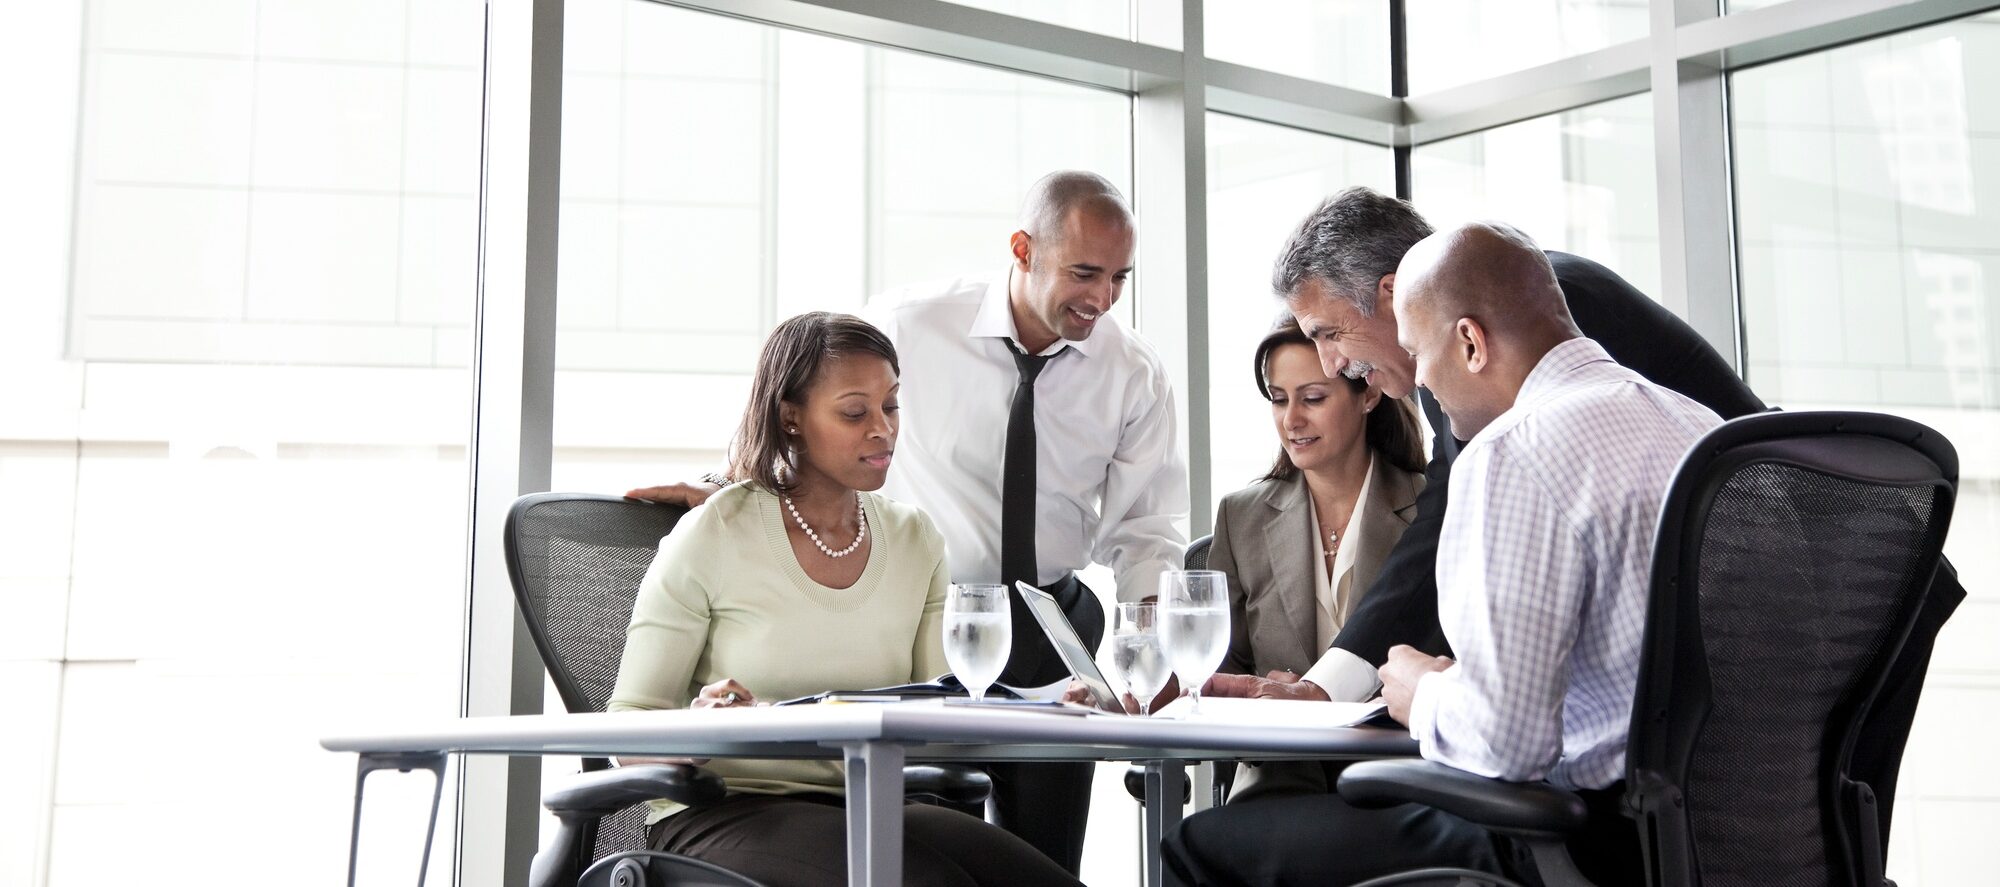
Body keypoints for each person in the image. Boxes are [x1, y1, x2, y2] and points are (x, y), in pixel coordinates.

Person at [627, 170, 1190, 873]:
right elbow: (813, 388)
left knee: (1042, 858)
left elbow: (1147, 530)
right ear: (1023, 249)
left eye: (1119, 278)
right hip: (945, 601)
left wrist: (1148, 657)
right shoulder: (911, 323)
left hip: (1048, 617)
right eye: (1084, 272)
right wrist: (726, 479)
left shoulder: (1132, 371)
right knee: (930, 851)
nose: (1102, 298)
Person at [1165, 223, 1725, 886]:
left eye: (1420, 355)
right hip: (1724, 836)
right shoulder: (1703, 430)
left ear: (1469, 341)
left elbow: (1511, 743)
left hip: (1583, 838)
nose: (1421, 384)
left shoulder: (1515, 449)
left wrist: (1423, 691)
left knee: (1202, 843)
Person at [1207, 186, 1767, 707]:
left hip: (1757, 634)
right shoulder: (1450, 380)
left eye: (1328, 333)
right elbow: (1439, 533)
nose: (1331, 365)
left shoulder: (1530, 314)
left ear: (1391, 294)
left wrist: (1438, 694)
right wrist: (1327, 687)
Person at [607, 312, 1080, 887]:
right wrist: (698, 732)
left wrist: (1045, 706)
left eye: (892, 405)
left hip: (871, 802)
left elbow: (944, 709)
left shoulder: (915, 540)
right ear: (791, 418)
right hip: (726, 811)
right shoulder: (715, 533)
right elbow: (629, 726)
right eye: (855, 412)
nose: (882, 429)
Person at [1205, 315, 1425, 803]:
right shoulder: (1241, 517)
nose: (1292, 420)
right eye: (1279, 399)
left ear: (1368, 395)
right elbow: (1216, 667)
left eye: (1313, 398)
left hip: (1398, 785)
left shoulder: (1430, 509)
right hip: (1277, 782)